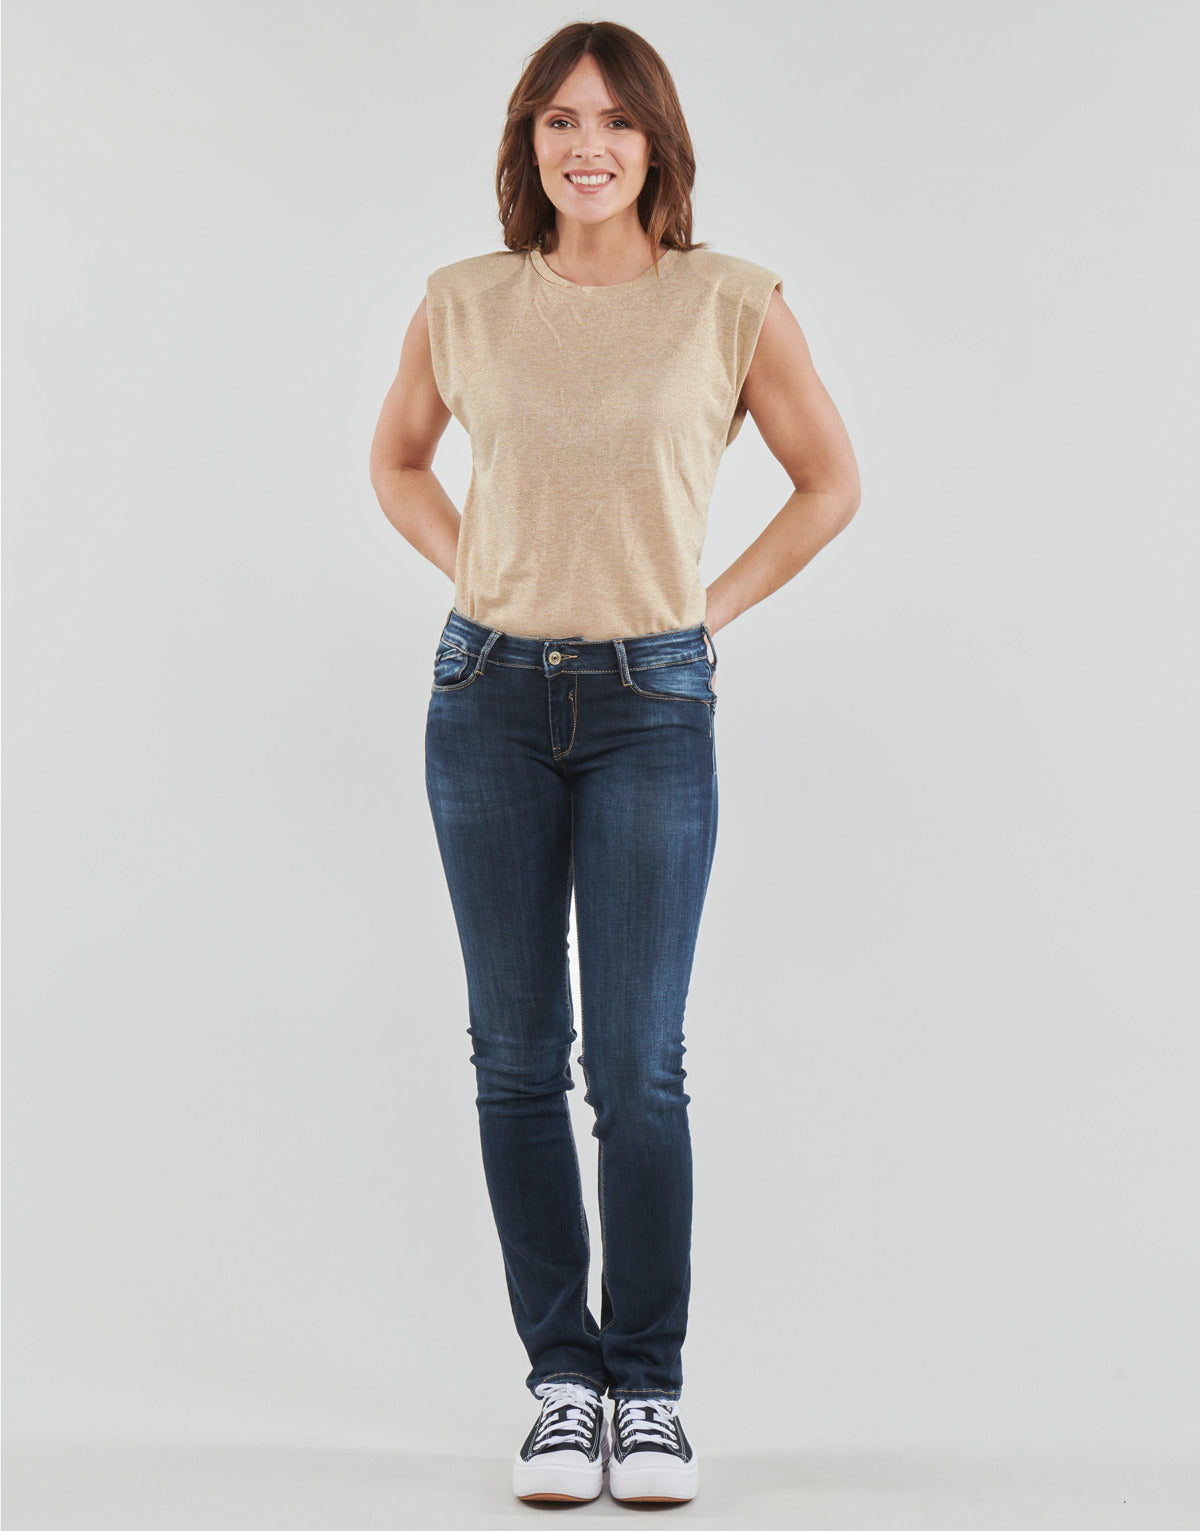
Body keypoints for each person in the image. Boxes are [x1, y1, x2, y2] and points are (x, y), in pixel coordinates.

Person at [369, 19, 860, 1508]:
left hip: (654, 700)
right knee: (516, 1058)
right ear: (528, 143)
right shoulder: (463, 301)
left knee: (637, 1065)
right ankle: (561, 1384)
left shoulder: (730, 301)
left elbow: (829, 482)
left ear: (659, 142)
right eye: (560, 121)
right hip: (487, 698)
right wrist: (483, 570)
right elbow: (396, 461)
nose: (587, 147)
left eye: (615, 122)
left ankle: (648, 1391)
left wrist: (707, 612)